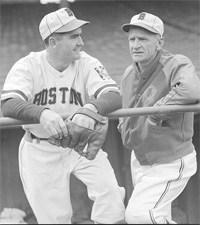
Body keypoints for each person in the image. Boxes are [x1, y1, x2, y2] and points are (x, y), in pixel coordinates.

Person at [1, 7, 125, 224]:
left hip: (78, 144)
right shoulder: (28, 65)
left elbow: (113, 95)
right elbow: (9, 104)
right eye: (73, 36)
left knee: (110, 194)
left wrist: (91, 109)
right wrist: (42, 114)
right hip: (40, 149)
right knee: (54, 219)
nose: (81, 42)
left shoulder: (86, 62)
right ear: (53, 42)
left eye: (80, 35)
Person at [118, 12, 200, 224]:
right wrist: (122, 126)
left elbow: (191, 90)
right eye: (132, 39)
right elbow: (124, 108)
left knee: (138, 216)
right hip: (140, 158)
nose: (135, 45)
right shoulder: (128, 73)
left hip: (170, 159)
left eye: (143, 39)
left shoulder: (176, 63)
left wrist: (156, 112)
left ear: (159, 42)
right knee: (156, 217)